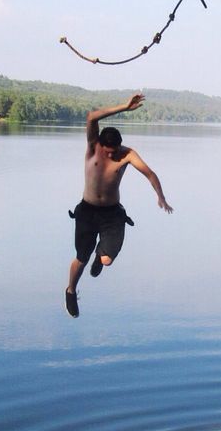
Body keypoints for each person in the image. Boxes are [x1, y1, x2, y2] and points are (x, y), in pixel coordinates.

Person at [65, 93, 173, 317]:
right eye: (109, 151)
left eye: (115, 151)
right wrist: (124, 106)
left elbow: (149, 173)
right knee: (80, 259)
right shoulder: (92, 147)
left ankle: (100, 254)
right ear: (100, 145)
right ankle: (71, 291)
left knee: (106, 261)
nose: (112, 155)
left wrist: (160, 196)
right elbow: (92, 117)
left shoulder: (127, 154)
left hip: (112, 215)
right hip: (87, 211)